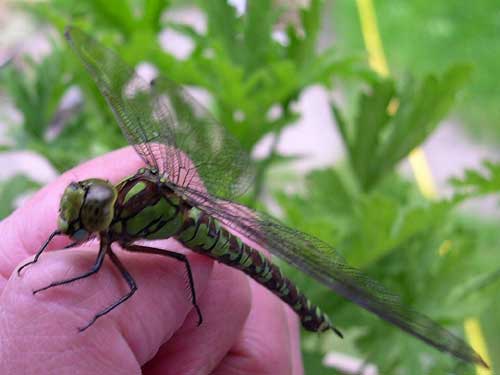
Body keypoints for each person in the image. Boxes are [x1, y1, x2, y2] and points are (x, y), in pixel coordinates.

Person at [0, 148, 303, 374]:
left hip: (198, 227)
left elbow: (122, 281)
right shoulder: (110, 213)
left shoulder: (117, 218)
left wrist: (54, 295)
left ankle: (307, 310)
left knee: (171, 269)